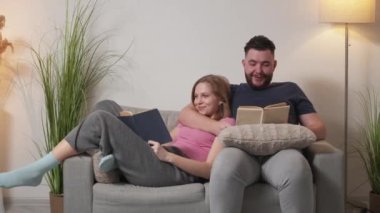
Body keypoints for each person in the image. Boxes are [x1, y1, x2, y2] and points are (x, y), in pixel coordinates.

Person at [0, 74, 235, 188]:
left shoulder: (228, 126)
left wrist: (169, 156)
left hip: (173, 170)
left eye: (205, 96)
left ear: (220, 99)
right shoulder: (191, 118)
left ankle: (37, 170)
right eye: (196, 96)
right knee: (107, 106)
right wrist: (136, 129)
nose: (198, 101)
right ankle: (111, 153)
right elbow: (168, 139)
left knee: (100, 118)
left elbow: (209, 170)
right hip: (158, 157)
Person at [178, 35, 326, 213]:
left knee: (297, 167)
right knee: (224, 164)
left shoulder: (290, 89)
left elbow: (319, 128)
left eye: (265, 64)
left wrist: (286, 132)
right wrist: (218, 128)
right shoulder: (231, 91)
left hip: (281, 154)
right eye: (253, 63)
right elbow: (186, 114)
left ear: (274, 65)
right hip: (242, 155)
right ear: (243, 64)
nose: (258, 70)